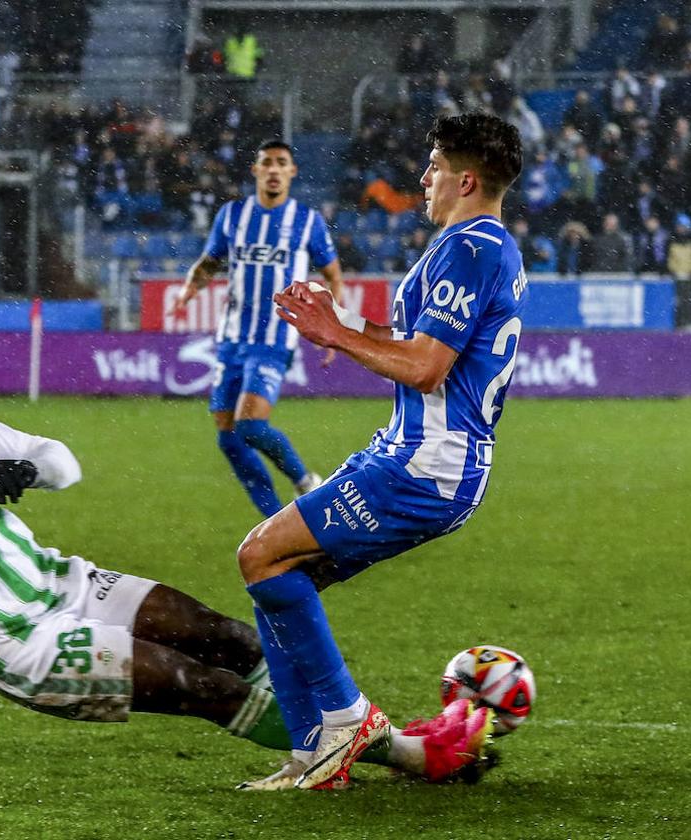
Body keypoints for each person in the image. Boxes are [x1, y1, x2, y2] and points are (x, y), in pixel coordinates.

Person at [0, 340, 488, 796]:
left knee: (228, 637)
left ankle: (339, 748)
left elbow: (61, 459)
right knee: (199, 683)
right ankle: (401, 754)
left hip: (67, 583)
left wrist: (22, 469)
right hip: (19, 647)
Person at [234, 113, 527, 791]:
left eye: (431, 167)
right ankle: (317, 754)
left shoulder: (471, 248)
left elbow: (425, 365)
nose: (422, 179)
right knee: (277, 570)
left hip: (425, 466)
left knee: (262, 554)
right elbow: (409, 338)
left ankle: (345, 722)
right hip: (416, 458)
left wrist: (336, 332)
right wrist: (337, 327)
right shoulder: (481, 247)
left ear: (465, 179)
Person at [171, 140, 344, 518]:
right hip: (232, 338)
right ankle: (274, 519)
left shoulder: (306, 220)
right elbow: (209, 263)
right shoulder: (232, 215)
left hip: (274, 339)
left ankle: (306, 482)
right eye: (266, 162)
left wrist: (336, 328)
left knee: (250, 425)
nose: (273, 169)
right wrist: (188, 289)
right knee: (228, 436)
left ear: (292, 172)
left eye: (282, 163)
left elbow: (331, 275)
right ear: (255, 170)